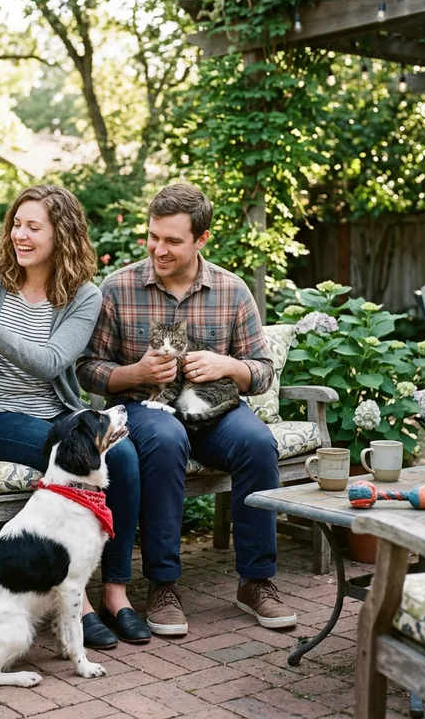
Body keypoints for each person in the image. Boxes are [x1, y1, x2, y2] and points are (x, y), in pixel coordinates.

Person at [76, 182, 297, 636]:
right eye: (153, 236)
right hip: (144, 412)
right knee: (164, 437)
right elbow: (86, 368)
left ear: (201, 240)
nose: (159, 248)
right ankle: (163, 585)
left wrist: (229, 365)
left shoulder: (232, 291)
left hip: (215, 413)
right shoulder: (118, 288)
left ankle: (256, 582)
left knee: (258, 443)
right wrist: (136, 373)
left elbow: (262, 371)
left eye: (173, 240)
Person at [0, 184, 151, 649]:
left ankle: (116, 594)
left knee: (122, 460)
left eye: (33, 227)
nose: (21, 236)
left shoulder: (83, 295)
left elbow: (50, 362)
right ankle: (77, 604)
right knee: (71, 459)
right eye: (17, 225)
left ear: (61, 234)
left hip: (57, 414)